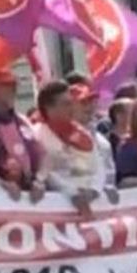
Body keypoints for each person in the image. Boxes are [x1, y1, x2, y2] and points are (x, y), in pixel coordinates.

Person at [34, 80, 106, 211]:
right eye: (65, 104)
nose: (71, 108)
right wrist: (72, 192)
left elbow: (99, 166)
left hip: (91, 199)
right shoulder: (38, 135)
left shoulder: (83, 133)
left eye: (71, 103)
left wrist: (94, 190)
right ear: (49, 107)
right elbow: (47, 173)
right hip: (61, 206)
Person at [0, 68, 43, 197]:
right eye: (5, 85)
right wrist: (1, 184)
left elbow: (40, 155)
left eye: (14, 85)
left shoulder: (22, 121)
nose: (13, 90)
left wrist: (40, 180)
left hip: (27, 196)